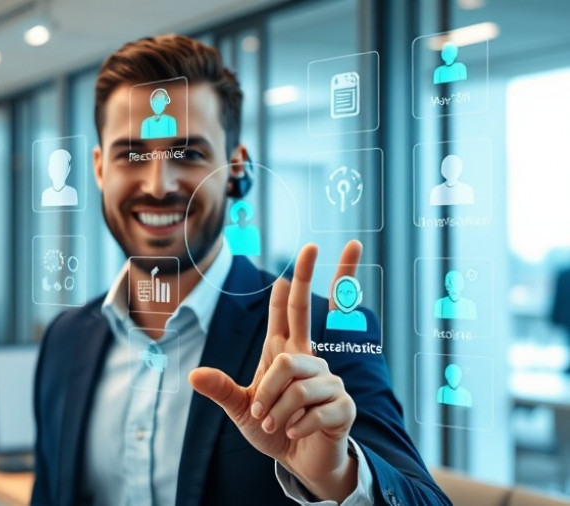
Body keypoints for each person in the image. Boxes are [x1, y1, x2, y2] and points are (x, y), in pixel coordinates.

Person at [33, 34, 449, 505]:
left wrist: (337, 477)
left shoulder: (317, 336)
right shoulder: (65, 340)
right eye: (132, 155)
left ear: (235, 167)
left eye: (187, 154)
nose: (158, 184)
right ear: (100, 169)